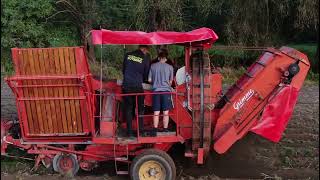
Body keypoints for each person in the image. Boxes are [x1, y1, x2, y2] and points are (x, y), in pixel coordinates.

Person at [122, 45, 150, 138]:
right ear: (144, 49)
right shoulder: (144, 58)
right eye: (146, 51)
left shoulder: (128, 55)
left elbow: (123, 70)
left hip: (126, 86)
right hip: (137, 86)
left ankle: (129, 133)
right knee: (140, 109)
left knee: (129, 109)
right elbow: (146, 74)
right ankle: (141, 132)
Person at [148, 48, 174, 136]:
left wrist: (156, 81)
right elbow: (171, 82)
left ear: (159, 57)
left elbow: (149, 79)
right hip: (166, 91)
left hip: (156, 92)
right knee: (166, 112)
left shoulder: (152, 66)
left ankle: (155, 129)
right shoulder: (170, 67)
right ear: (166, 58)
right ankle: (165, 129)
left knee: (156, 112)